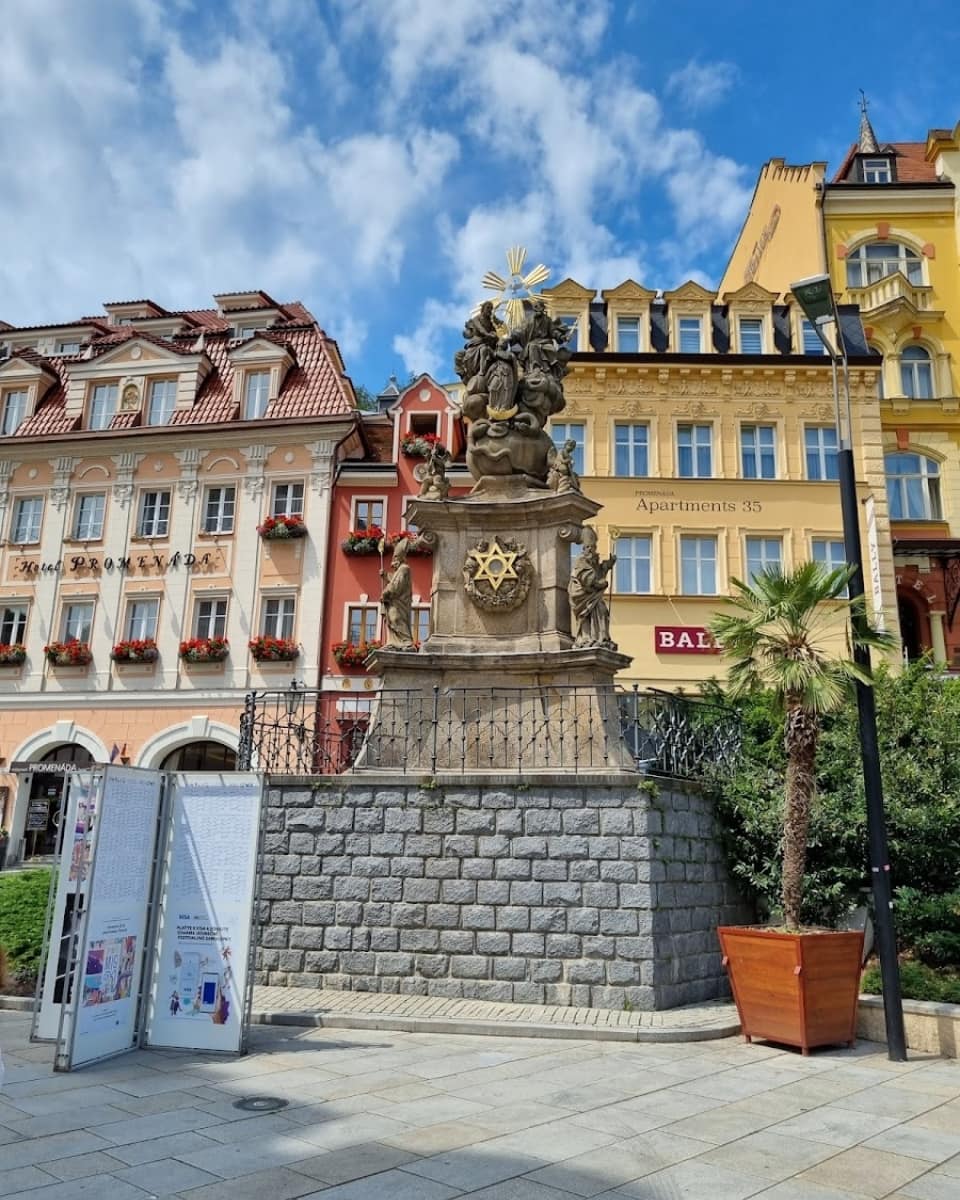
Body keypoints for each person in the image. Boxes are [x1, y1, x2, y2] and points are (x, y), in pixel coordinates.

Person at [569, 527, 616, 648]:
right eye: (588, 547)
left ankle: (602, 637)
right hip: (581, 594)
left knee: (602, 611)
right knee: (585, 614)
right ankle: (586, 638)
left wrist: (608, 565)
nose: (591, 549)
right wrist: (600, 584)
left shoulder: (594, 561)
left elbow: (598, 571)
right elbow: (586, 578)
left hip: (591, 594)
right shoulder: (580, 560)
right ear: (584, 549)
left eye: (593, 547)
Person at [380, 537, 416, 650]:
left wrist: (386, 592)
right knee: (392, 620)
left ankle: (407, 642)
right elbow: (394, 580)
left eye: (395, 557)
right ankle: (394, 642)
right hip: (394, 601)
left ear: (400, 558)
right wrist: (386, 576)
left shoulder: (404, 568)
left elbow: (396, 584)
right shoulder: (400, 569)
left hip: (400, 602)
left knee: (396, 618)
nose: (393, 560)